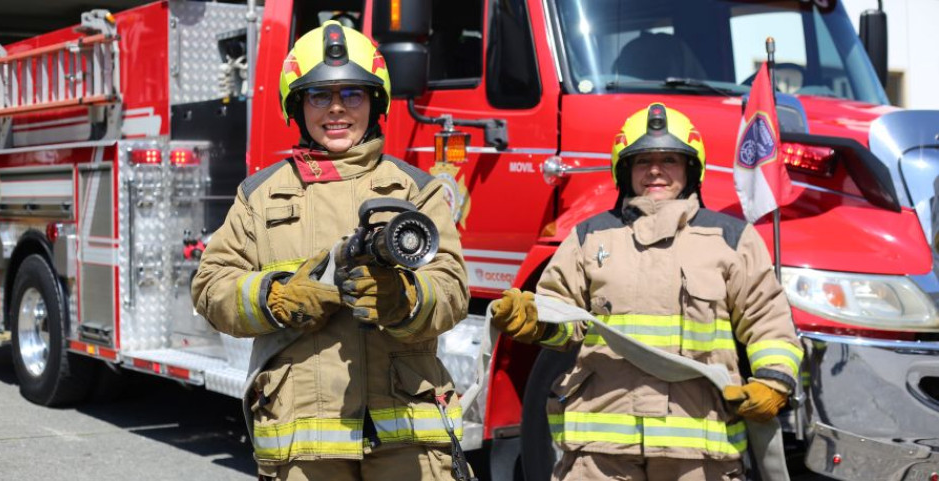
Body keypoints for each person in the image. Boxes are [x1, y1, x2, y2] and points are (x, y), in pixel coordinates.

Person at [191, 21, 470, 481]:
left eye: (352, 95)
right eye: (319, 96)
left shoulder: (413, 190)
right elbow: (209, 286)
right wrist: (273, 297)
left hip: (407, 441)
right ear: (297, 106)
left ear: (374, 103)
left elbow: (453, 287)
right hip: (304, 440)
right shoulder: (259, 196)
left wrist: (404, 300)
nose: (337, 109)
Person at [490, 103, 803, 481]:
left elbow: (768, 321)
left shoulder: (731, 240)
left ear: (691, 169)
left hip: (698, 453)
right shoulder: (590, 238)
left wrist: (773, 381)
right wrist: (533, 322)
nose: (656, 170)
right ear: (624, 170)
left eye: (670, 159)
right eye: (643, 161)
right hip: (600, 453)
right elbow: (562, 319)